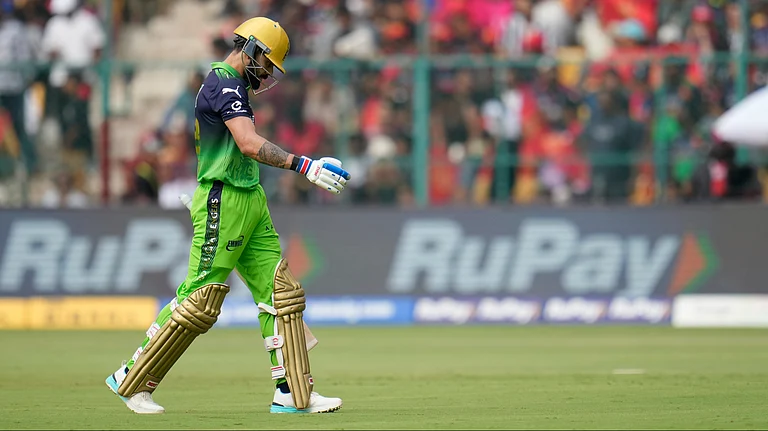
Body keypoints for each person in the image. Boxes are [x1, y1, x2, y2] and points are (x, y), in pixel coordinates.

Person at [105, 17, 350, 415]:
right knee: (200, 299)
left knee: (281, 294)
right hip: (224, 201)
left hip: (249, 198)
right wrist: (306, 166)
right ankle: (131, 378)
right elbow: (249, 144)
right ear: (252, 48)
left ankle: (292, 393)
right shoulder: (224, 82)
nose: (268, 74)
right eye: (267, 63)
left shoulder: (235, 86)